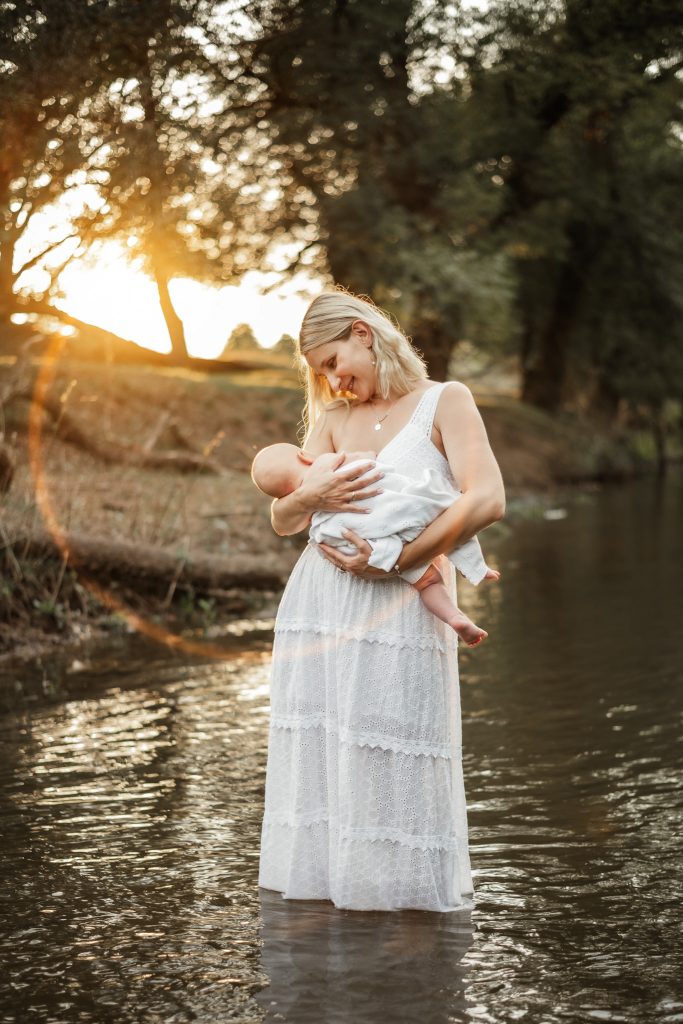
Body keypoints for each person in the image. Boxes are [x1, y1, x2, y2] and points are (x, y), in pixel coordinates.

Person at [257, 287, 505, 912]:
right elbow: (283, 519)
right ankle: (331, 898)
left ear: (364, 334)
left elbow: (486, 500)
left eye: (335, 363)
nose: (333, 382)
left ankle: (403, 913)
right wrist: (311, 498)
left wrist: (401, 558)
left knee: (397, 745)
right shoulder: (334, 420)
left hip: (401, 599)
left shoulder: (445, 401)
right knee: (329, 747)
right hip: (322, 601)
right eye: (320, 374)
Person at [251, 441, 501, 646]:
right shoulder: (326, 462)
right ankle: (478, 568)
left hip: (369, 545)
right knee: (445, 511)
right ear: (304, 456)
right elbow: (368, 456)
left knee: (428, 582)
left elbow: (300, 526)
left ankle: (455, 618)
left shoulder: (308, 508)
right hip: (391, 511)